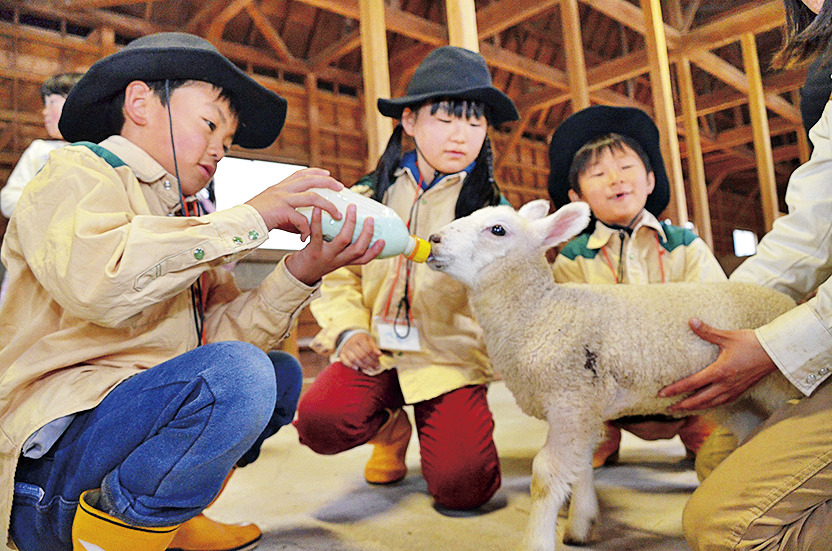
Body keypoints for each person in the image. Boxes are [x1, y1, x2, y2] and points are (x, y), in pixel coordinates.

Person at [0, 32, 384, 551]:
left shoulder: (186, 220)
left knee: (273, 374)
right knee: (238, 377)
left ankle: (155, 517)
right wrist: (252, 217)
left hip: (112, 443)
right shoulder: (76, 172)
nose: (217, 152)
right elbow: (99, 280)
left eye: (227, 143)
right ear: (140, 103)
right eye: (208, 125)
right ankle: (118, 531)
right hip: (50, 473)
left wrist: (301, 270)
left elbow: (223, 338)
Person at [293, 46, 519, 511]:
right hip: (376, 351)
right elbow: (337, 279)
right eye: (445, 119)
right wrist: (349, 331)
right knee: (319, 421)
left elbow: (511, 298)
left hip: (448, 361)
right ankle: (391, 430)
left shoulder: (494, 214)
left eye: (474, 122)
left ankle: (453, 426)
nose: (461, 135)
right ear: (410, 122)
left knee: (464, 488)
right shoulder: (364, 197)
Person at [658, 0, 832, 548]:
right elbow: (809, 230)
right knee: (718, 459)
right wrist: (705, 320)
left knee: (727, 525)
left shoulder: (677, 240)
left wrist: (774, 346)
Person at [547, 105, 727, 476]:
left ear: (649, 180)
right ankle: (602, 438)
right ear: (576, 196)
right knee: (576, 442)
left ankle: (697, 431)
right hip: (610, 400)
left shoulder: (686, 246)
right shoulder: (572, 260)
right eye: (597, 173)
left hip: (689, 392)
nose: (615, 179)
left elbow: (720, 310)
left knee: (723, 453)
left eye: (627, 168)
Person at [0, 72, 84, 303]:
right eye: (45, 104)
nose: (45, 111)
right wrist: (46, 205)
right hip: (37, 257)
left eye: (52, 103)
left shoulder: (101, 151)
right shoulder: (40, 152)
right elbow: (8, 198)